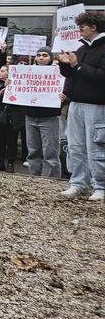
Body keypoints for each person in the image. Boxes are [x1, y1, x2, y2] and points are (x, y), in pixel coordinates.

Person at [57, 11, 105, 201]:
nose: (79, 30)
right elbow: (72, 75)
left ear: (93, 27)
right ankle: (78, 183)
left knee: (96, 146)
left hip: (97, 105)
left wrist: (77, 66)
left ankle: (100, 185)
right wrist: (65, 64)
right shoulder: (82, 48)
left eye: (82, 27)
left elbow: (101, 76)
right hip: (76, 103)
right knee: (75, 146)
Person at [24, 46, 62, 179]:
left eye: (45, 55)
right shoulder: (27, 72)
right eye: (38, 55)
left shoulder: (59, 73)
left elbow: (66, 92)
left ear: (51, 57)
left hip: (49, 118)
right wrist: (10, 84)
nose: (41, 57)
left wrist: (64, 98)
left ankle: (49, 181)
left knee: (50, 153)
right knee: (33, 151)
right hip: (30, 116)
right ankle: (34, 178)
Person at [0, 66, 23, 172]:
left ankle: (10, 162)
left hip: (12, 117)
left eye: (2, 71)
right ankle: (0, 162)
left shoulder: (18, 83)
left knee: (12, 141)